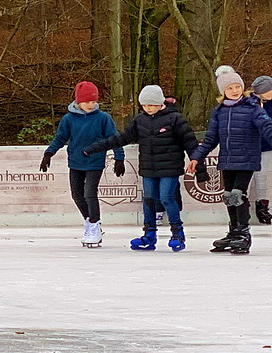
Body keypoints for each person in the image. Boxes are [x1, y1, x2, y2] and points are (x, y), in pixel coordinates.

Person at [84, 85, 198, 252]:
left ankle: (177, 233)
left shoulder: (175, 119)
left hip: (170, 167)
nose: (148, 108)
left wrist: (197, 164)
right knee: (149, 199)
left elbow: (190, 143)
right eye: (144, 105)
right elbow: (120, 138)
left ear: (160, 103)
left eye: (151, 105)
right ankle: (149, 235)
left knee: (166, 197)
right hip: (148, 168)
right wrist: (95, 147)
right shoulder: (140, 120)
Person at [189, 69, 272, 256]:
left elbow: (268, 128)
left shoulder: (252, 108)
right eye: (230, 88)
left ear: (242, 88)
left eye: (237, 87)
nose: (234, 90)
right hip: (227, 160)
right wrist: (196, 157)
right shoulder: (219, 111)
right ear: (222, 91)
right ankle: (234, 230)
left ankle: (243, 233)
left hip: (247, 159)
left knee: (237, 195)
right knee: (228, 196)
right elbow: (211, 139)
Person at [40, 81, 125, 248]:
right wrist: (48, 153)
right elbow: (60, 138)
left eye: (93, 101)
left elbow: (113, 138)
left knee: (89, 193)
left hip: (95, 161)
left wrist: (119, 157)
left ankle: (94, 224)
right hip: (76, 162)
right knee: (76, 195)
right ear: (78, 101)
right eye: (87, 102)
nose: (90, 105)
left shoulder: (103, 118)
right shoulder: (69, 119)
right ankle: (90, 222)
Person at [249, 75, 272, 225]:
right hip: (248, 146)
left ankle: (262, 207)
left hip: (265, 145)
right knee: (246, 177)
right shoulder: (247, 102)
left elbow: (271, 125)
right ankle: (241, 209)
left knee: (261, 176)